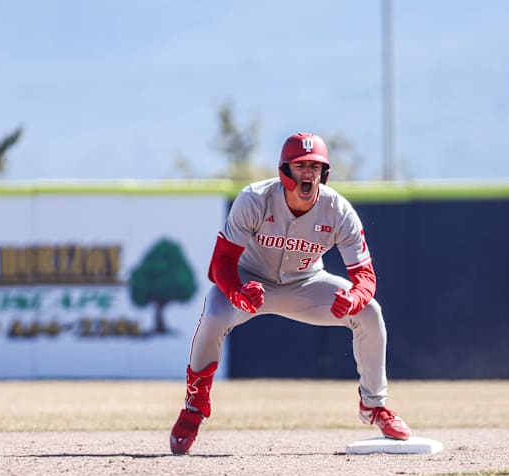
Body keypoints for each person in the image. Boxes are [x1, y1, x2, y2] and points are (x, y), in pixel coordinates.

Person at [170, 132, 411, 454]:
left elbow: (364, 275)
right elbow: (221, 263)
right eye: (301, 165)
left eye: (315, 166)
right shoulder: (255, 198)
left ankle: (374, 406)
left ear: (324, 173)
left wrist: (355, 297)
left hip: (305, 283)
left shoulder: (338, 210)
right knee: (214, 313)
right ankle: (195, 406)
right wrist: (238, 291)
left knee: (369, 313)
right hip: (249, 280)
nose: (308, 173)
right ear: (285, 169)